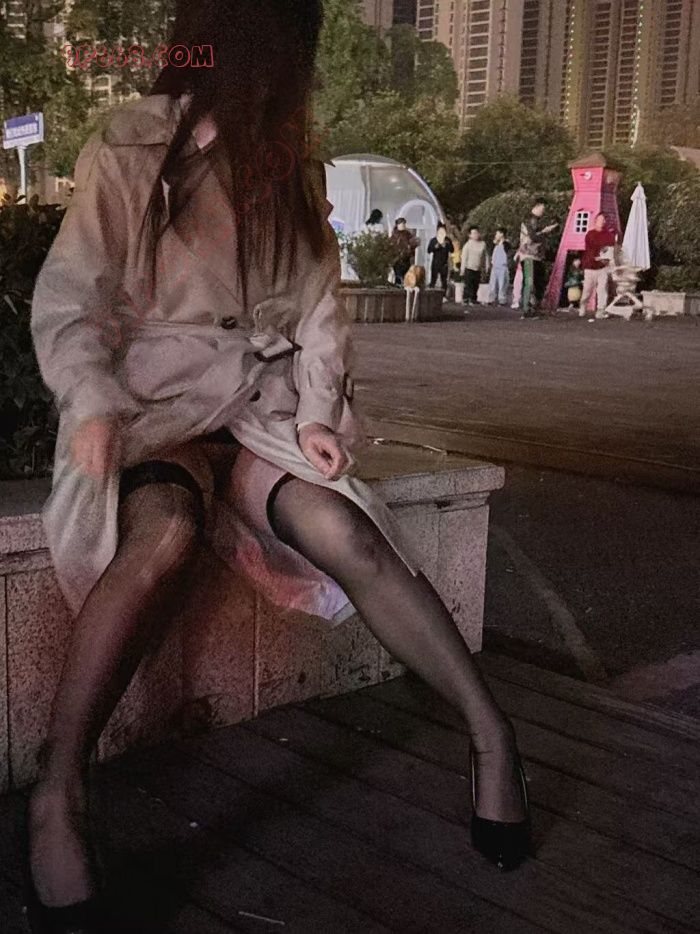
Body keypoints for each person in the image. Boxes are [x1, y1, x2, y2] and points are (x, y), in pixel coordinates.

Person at [26, 4, 531, 930]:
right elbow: (72, 296)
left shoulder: (288, 161)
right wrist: (91, 400)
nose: (298, 75)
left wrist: (318, 414)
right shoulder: (136, 142)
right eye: (290, 50)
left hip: (257, 418)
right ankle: (59, 792)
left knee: (345, 528)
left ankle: (492, 740)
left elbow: (319, 312)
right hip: (152, 413)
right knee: (164, 536)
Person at [519, 198, 558, 319]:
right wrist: (545, 231)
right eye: (543, 208)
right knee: (529, 282)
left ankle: (534, 307)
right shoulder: (529, 220)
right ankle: (527, 309)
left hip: (537, 256)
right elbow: (533, 237)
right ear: (537, 206)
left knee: (538, 282)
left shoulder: (536, 221)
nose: (544, 211)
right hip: (528, 256)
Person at [579, 212, 616, 319]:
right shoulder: (590, 234)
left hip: (602, 267)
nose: (603, 222)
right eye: (601, 220)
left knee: (602, 289)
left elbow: (611, 248)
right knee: (587, 290)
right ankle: (583, 306)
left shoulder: (608, 235)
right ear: (595, 221)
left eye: (604, 220)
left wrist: (607, 259)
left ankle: (600, 310)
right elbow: (590, 249)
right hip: (590, 267)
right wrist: (597, 257)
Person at [460, 226, 489, 306]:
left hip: (478, 268)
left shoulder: (483, 244)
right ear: (470, 235)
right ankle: (466, 299)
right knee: (468, 284)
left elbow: (485, 256)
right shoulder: (467, 245)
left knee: (476, 284)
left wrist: (486, 266)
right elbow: (464, 257)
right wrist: (462, 269)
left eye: (477, 233)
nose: (476, 235)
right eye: (474, 233)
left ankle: (473, 299)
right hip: (469, 267)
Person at [391, 217, 420, 286]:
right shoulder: (394, 234)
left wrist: (411, 246)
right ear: (397, 225)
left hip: (406, 258)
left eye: (404, 223)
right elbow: (392, 245)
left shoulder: (407, 234)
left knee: (406, 274)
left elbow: (413, 242)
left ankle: (405, 285)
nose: (403, 225)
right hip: (397, 259)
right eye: (401, 223)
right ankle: (398, 285)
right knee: (398, 275)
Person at [427, 222, 454, 297]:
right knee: (433, 279)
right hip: (435, 263)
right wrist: (435, 247)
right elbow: (429, 250)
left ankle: (443, 296)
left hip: (444, 263)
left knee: (444, 281)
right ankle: (431, 295)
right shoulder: (433, 240)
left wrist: (447, 245)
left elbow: (452, 250)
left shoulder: (448, 240)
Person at [488, 227, 511, 305]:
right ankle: (492, 299)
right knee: (492, 284)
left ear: (502, 234)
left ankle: (502, 299)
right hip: (495, 266)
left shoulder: (506, 244)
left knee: (502, 284)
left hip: (502, 267)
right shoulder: (495, 244)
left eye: (497, 233)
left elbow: (508, 252)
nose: (495, 235)